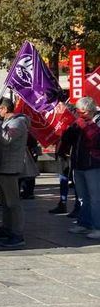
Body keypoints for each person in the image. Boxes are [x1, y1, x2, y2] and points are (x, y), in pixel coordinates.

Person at [0, 98, 29, 248]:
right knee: (5, 202)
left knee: (13, 203)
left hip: (9, 168)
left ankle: (17, 234)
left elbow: (6, 138)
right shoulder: (6, 122)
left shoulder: (17, 122)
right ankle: (7, 228)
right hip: (1, 166)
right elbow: (2, 139)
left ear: (4, 109)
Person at [60, 96, 100, 239]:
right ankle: (84, 224)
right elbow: (67, 139)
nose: (78, 114)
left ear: (88, 110)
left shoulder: (98, 122)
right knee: (82, 197)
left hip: (93, 165)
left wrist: (83, 125)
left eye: (80, 111)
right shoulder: (78, 123)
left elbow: (95, 140)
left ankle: (97, 227)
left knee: (95, 198)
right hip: (79, 164)